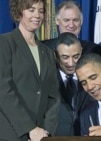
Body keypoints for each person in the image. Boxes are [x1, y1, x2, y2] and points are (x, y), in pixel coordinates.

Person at [0, 0, 60, 141]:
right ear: (19, 12)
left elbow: (53, 96)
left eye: (41, 11)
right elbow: (3, 90)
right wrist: (29, 128)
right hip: (11, 134)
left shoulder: (47, 52)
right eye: (31, 10)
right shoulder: (5, 43)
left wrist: (46, 131)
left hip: (41, 136)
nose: (37, 15)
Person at [53, 32, 91, 136]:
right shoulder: (46, 80)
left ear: (81, 52)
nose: (71, 63)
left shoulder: (91, 78)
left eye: (76, 56)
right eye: (65, 57)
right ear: (55, 55)